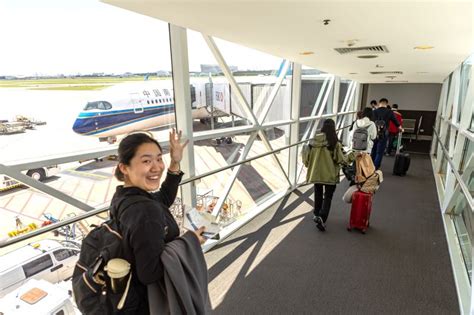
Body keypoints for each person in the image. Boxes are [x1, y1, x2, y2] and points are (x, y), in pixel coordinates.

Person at [109, 129, 206, 314]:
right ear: (124, 168)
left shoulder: (123, 197)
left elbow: (162, 199)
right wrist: (190, 241)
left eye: (159, 158)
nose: (156, 167)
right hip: (154, 303)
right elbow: (150, 272)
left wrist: (175, 162)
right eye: (146, 161)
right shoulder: (145, 212)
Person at [303, 119, 354, 231]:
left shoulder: (312, 142)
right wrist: (352, 155)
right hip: (330, 175)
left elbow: (306, 160)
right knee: (328, 197)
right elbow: (342, 160)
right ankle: (322, 217)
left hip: (316, 174)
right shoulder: (334, 142)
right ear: (333, 128)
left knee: (318, 194)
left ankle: (316, 214)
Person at [371, 98, 402, 169]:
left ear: (379, 103)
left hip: (374, 133)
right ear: (386, 104)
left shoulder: (374, 111)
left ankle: (370, 167)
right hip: (384, 134)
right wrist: (400, 128)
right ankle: (375, 167)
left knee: (373, 150)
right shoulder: (389, 112)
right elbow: (395, 121)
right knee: (380, 152)